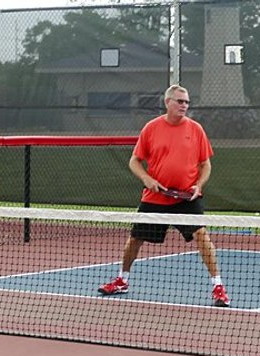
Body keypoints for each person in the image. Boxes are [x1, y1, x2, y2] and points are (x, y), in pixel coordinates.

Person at [97, 84, 231, 307]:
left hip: (187, 198)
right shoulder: (151, 128)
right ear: (167, 102)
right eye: (180, 101)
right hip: (155, 197)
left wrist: (198, 186)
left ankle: (218, 287)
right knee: (135, 239)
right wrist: (147, 180)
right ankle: (122, 280)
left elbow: (206, 164)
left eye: (187, 102)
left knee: (201, 235)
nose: (184, 105)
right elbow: (134, 161)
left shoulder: (196, 129)